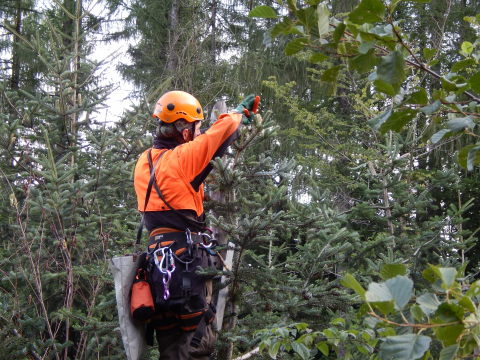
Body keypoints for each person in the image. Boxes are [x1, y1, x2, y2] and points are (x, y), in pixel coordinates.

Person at [133, 90, 260, 360]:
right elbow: (221, 132)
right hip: (186, 261)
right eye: (195, 126)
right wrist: (239, 113)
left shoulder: (144, 162)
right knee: (198, 342)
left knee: (170, 341)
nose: (198, 131)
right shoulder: (182, 159)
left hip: (157, 265)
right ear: (183, 127)